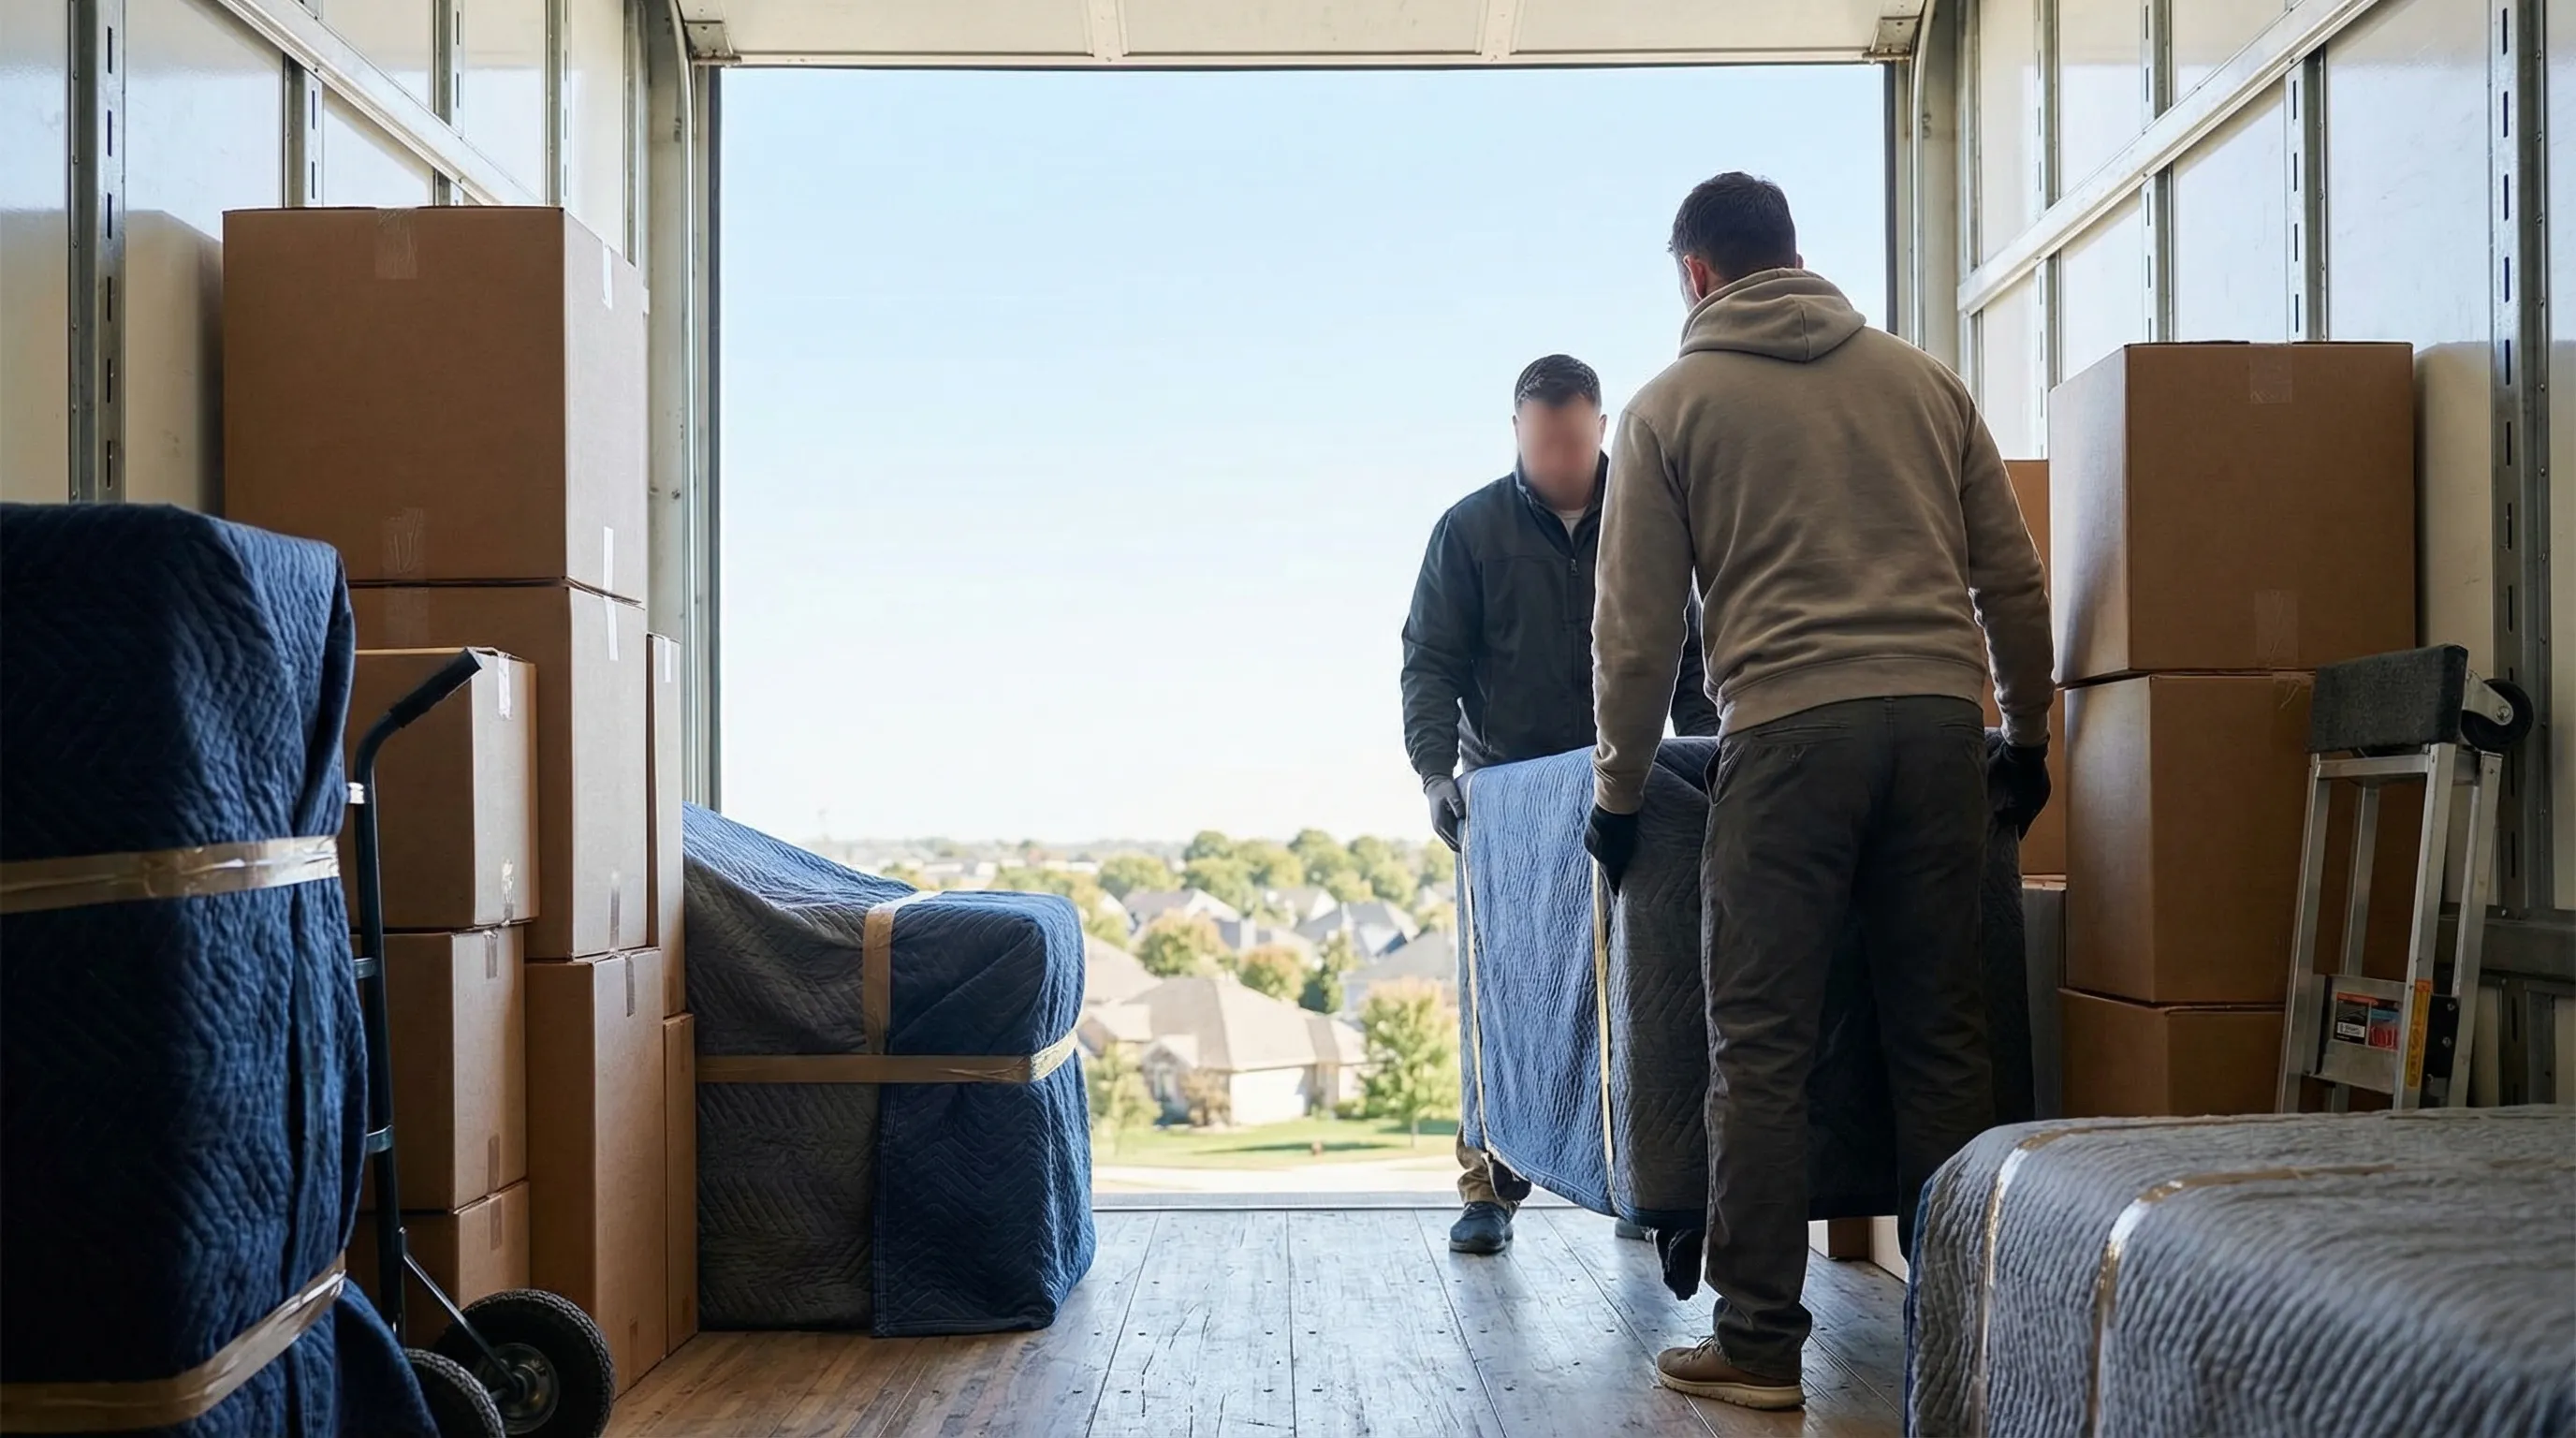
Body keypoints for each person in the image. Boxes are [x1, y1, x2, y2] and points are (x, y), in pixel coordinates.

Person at [1584, 174, 2054, 1411]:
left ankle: (1755, 1342)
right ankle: (1964, 1336)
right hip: (1944, 728)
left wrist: (1620, 793)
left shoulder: (1671, 405)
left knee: (1762, 1045)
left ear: (1693, 274)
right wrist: (2032, 730)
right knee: (1945, 1038)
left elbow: (1635, 638)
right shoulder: (1922, 382)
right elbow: (2011, 579)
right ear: (1792, 252)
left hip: (1788, 737)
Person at [1400, 352, 1720, 1257]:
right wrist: (1434, 776)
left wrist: (1708, 759)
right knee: (1500, 998)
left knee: (1641, 995)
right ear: (1517, 434)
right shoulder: (1467, 532)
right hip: (1506, 804)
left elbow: (1696, 661)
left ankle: (1639, 1180)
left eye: (1576, 442)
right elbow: (1429, 663)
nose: (1561, 459)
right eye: (1544, 444)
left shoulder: (1653, 516)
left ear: (1602, 428)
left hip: (1635, 793)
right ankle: (1489, 1188)